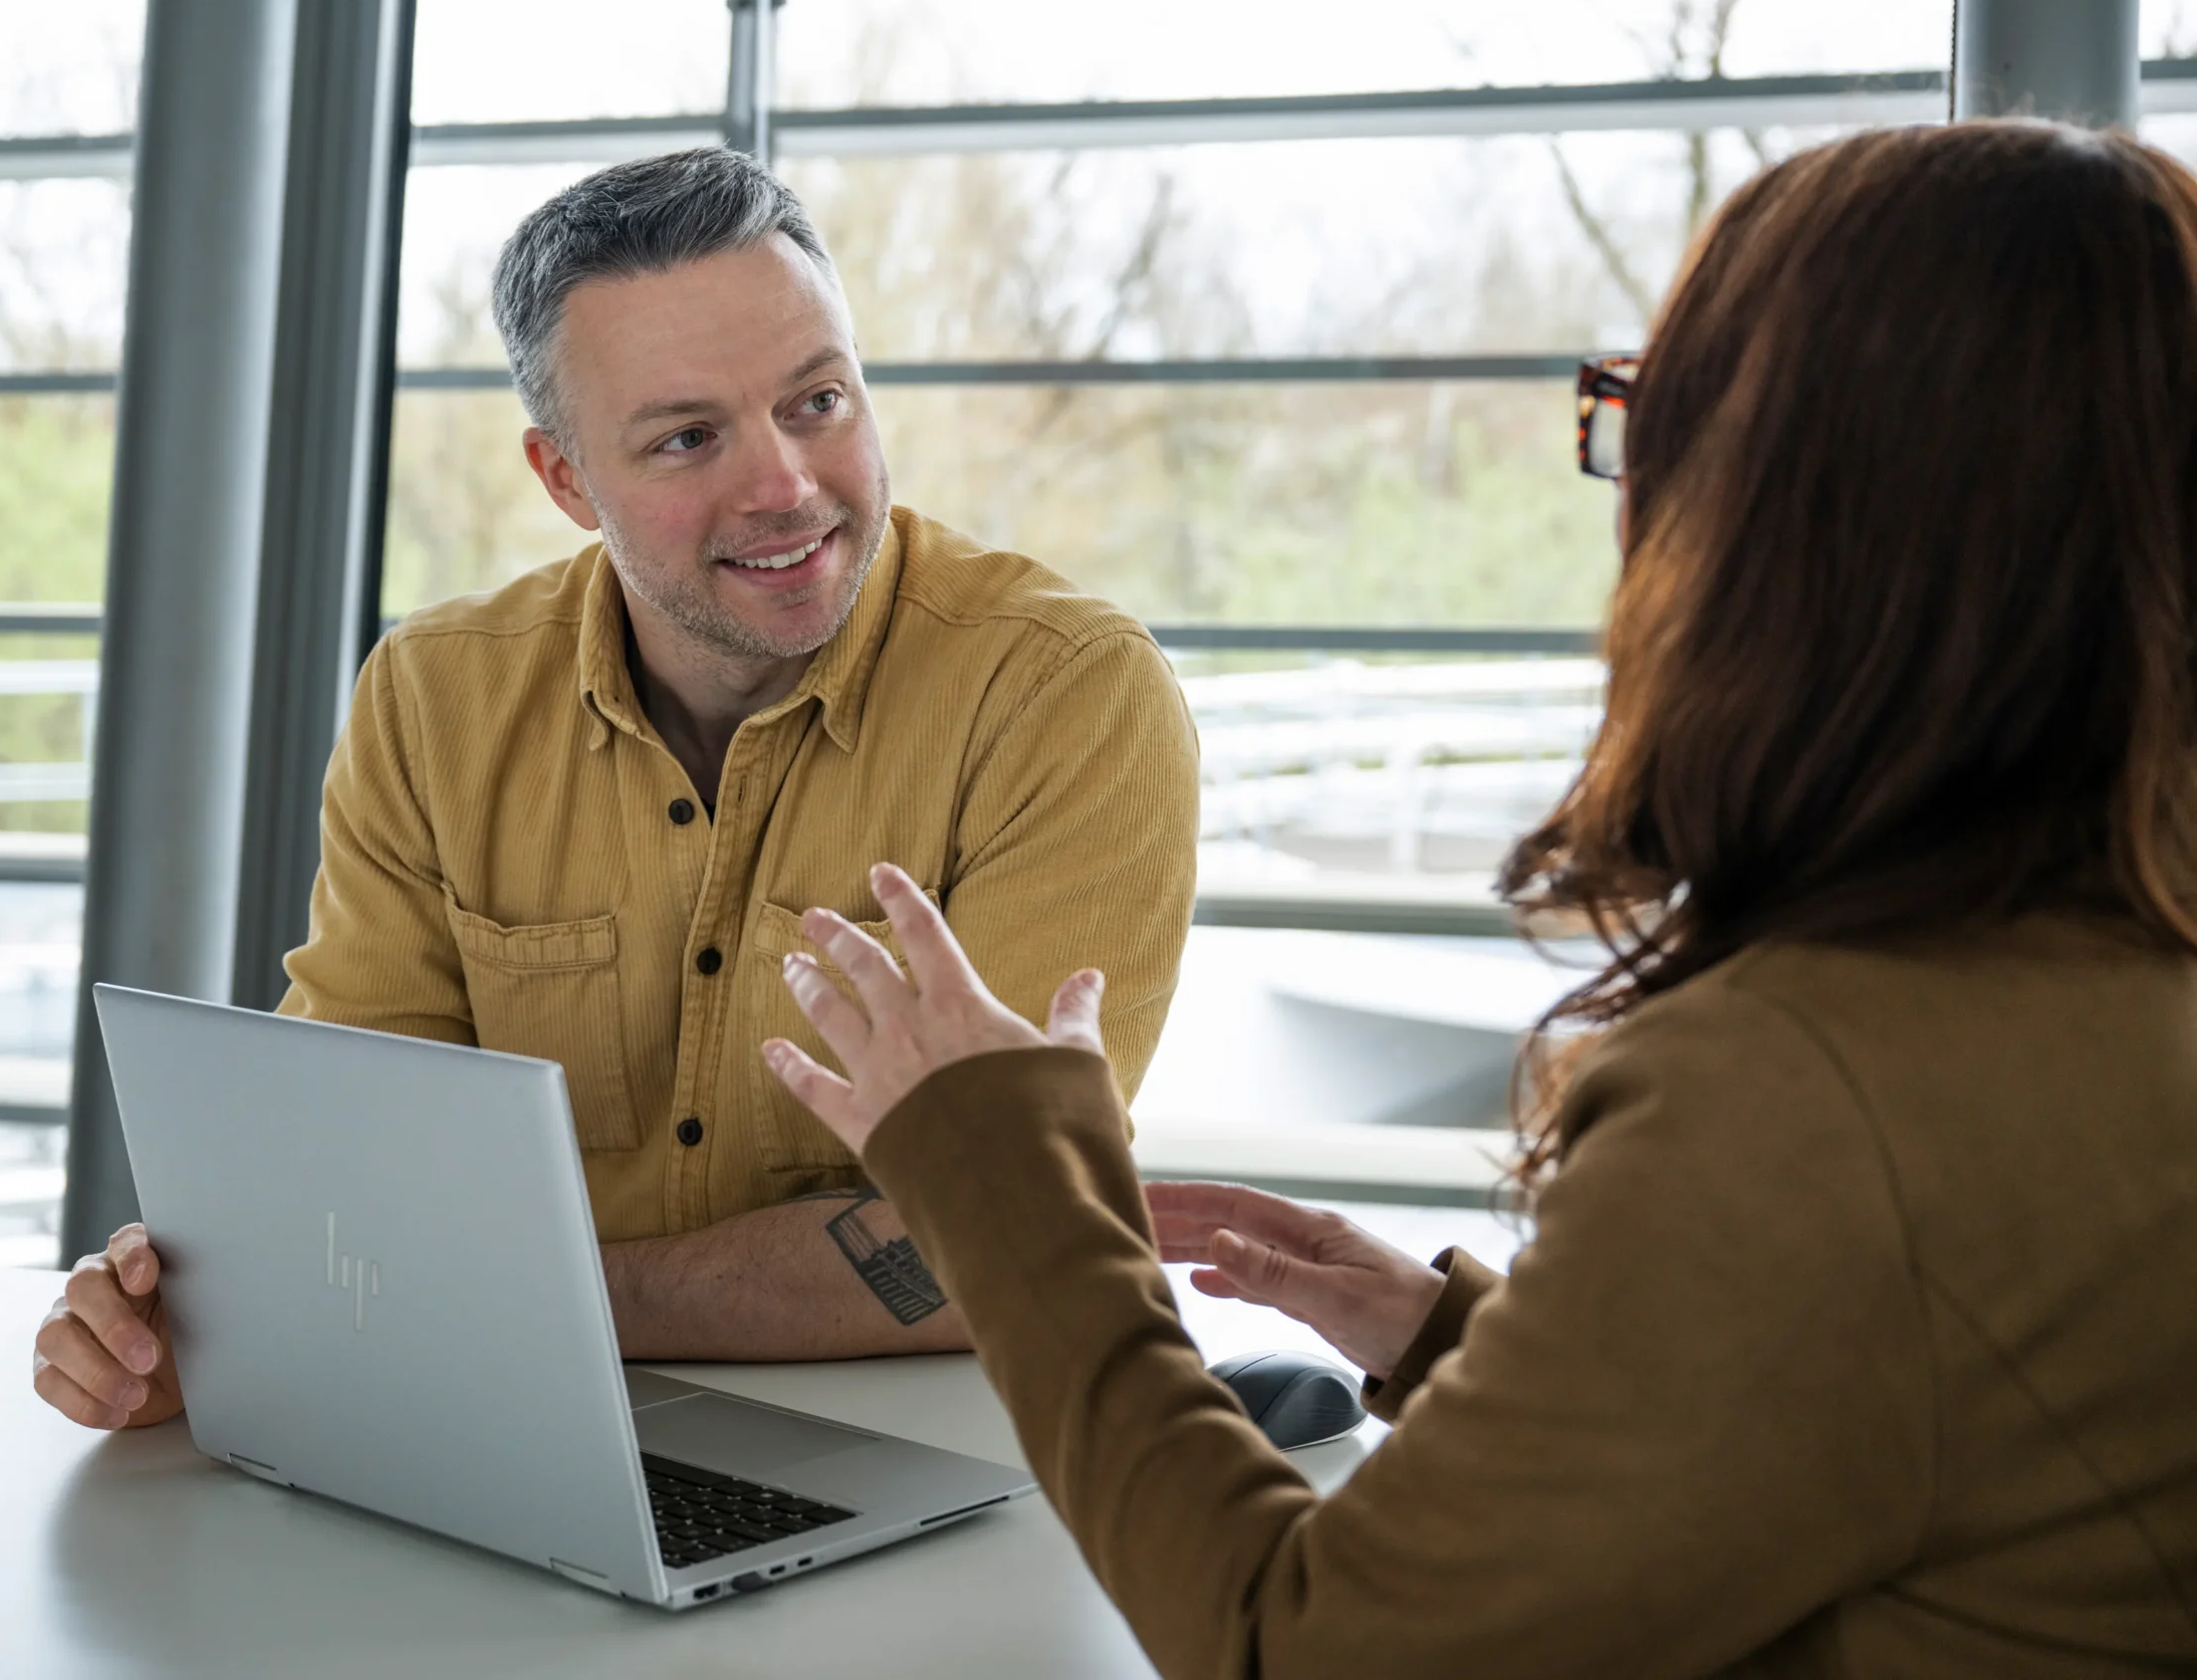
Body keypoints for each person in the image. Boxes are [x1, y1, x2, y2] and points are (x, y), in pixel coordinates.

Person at [760, 122, 2197, 1677]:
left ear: (1783, 524)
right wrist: (1492, 1354)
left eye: (1644, 423)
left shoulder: (1808, 1094)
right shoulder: (2106, 990)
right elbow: (1937, 1434)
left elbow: (1301, 1653)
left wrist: (1002, 1186)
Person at [30, 148, 1198, 1432]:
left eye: (817, 401)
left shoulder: (1065, 694)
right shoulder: (436, 699)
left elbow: (1011, 1237)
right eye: (688, 438)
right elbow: (351, 1173)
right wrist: (208, 1317)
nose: (786, 487)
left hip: (932, 1457)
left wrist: (479, 1298)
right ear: (566, 480)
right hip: (499, 1426)